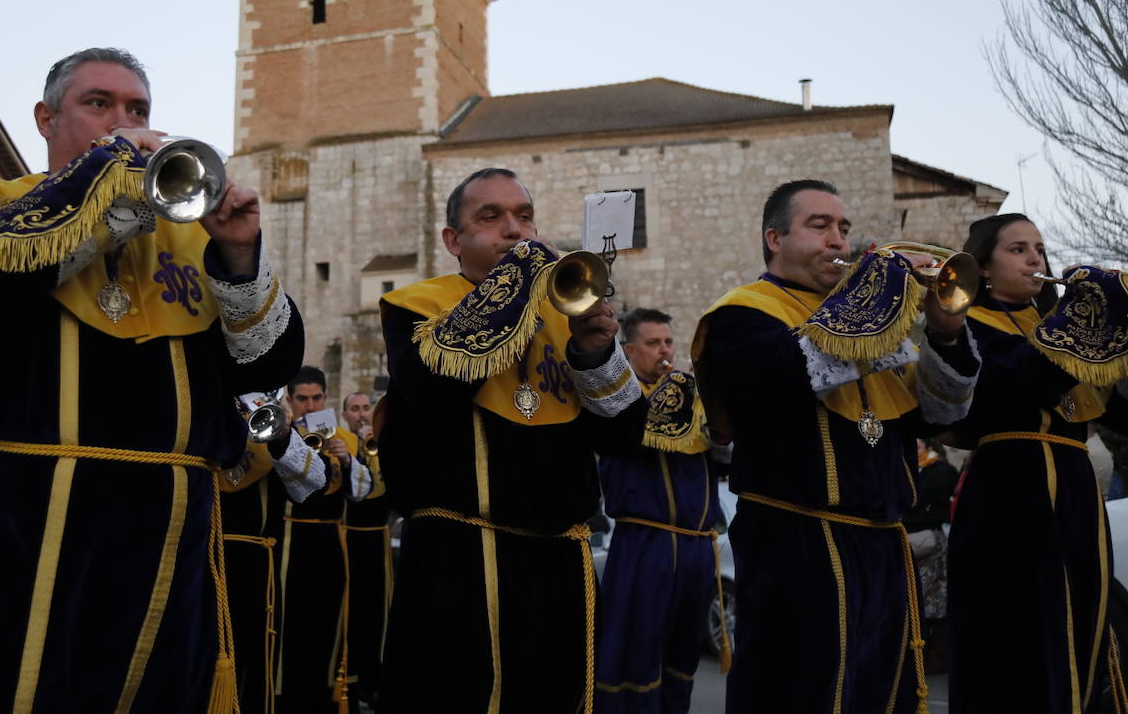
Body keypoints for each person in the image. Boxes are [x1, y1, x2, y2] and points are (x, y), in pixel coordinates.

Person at [0, 47, 305, 713]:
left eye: (138, 110)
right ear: (46, 118)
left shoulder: (190, 240)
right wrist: (104, 180)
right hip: (19, 528)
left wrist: (237, 254)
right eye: (99, 105)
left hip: (166, 535)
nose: (125, 122)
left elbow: (267, 365)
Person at [692, 179, 981, 714]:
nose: (837, 241)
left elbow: (941, 415)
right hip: (798, 541)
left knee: (880, 694)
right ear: (774, 238)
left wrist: (944, 332)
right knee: (802, 691)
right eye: (819, 226)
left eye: (843, 228)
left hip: (884, 545)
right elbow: (777, 379)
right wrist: (871, 300)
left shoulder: (873, 322)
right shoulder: (741, 312)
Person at [378, 167, 649, 713]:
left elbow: (624, 435)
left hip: (561, 562)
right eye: (491, 216)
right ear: (454, 241)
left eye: (524, 217)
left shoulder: (563, 315)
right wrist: (517, 283)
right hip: (462, 558)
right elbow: (432, 394)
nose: (514, 230)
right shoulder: (419, 306)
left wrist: (594, 351)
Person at [946, 213, 1128, 713]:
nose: (1035, 259)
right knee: (1016, 629)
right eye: (1018, 249)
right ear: (982, 267)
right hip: (1007, 490)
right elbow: (1019, 382)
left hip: (1074, 494)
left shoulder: (1057, 328)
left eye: (1040, 249)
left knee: (1082, 620)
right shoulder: (968, 326)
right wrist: (1082, 315)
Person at [595, 308, 723, 713]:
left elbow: (726, 452)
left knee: (681, 660)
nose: (665, 351)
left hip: (697, 548)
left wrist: (711, 398)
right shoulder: (621, 402)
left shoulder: (693, 396)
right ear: (629, 352)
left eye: (668, 341)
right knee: (636, 658)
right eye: (653, 343)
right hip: (644, 545)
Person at [271, 367, 384, 713]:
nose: (309, 405)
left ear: (325, 397)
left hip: (332, 542)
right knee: (289, 628)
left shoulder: (344, 439)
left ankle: (321, 699)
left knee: (327, 626)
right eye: (302, 399)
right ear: (290, 400)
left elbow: (365, 491)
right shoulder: (279, 435)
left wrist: (348, 459)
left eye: (316, 398)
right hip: (292, 540)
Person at [219, 386, 330, 714]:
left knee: (254, 659)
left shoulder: (265, 408)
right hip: (202, 556)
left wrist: (282, 438)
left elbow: (314, 482)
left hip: (256, 565)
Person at [337, 391, 390, 710]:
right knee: (350, 612)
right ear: (344, 415)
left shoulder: (380, 441)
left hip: (377, 537)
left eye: (365, 408)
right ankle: (351, 678)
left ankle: (375, 680)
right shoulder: (341, 442)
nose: (360, 414)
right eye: (354, 409)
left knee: (378, 611)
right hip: (348, 537)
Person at [903, 438, 956, 674]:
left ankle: (936, 654)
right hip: (916, 539)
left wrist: (910, 516)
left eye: (918, 447)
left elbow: (926, 503)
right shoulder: (918, 468)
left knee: (932, 603)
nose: (915, 452)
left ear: (930, 448)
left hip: (930, 543)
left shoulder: (937, 470)